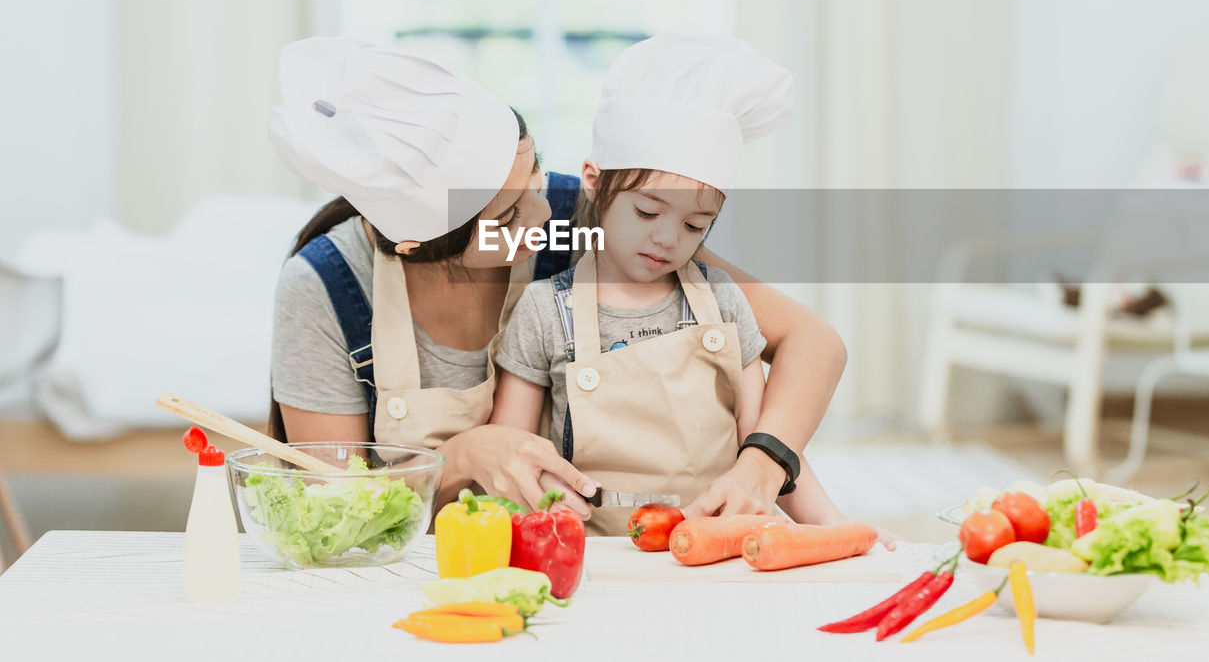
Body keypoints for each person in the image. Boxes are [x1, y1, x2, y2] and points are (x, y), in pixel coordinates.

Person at [268, 36, 848, 520]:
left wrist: (763, 463)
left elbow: (813, 342)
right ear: (417, 245)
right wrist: (465, 457)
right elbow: (342, 512)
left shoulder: (587, 224)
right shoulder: (324, 291)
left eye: (536, 177)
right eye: (509, 216)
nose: (545, 218)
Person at [489, 34, 846, 534]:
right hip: (591, 554)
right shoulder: (544, 310)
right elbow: (510, 452)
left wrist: (834, 526)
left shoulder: (724, 301)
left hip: (711, 548)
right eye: (647, 211)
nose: (666, 239)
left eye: (695, 225)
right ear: (593, 180)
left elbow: (767, 449)